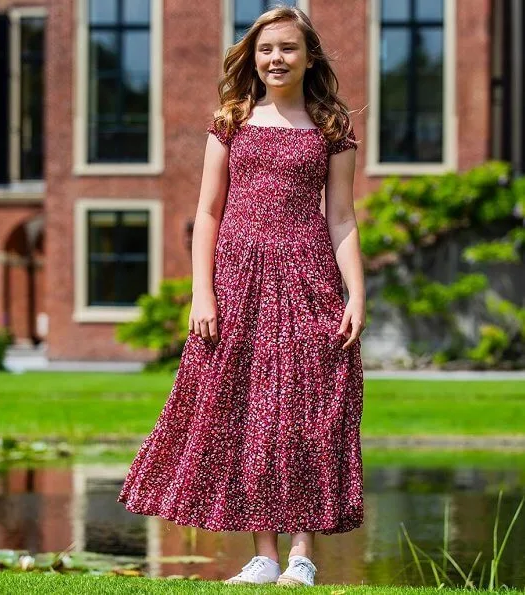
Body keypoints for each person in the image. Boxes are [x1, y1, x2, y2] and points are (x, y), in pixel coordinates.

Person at [117, 5, 366, 588]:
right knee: (248, 412)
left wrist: (357, 293)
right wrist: (201, 293)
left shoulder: (332, 128)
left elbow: (342, 219)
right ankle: (264, 555)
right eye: (265, 49)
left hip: (308, 280)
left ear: (309, 57)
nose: (275, 59)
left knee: (307, 410)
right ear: (252, 57)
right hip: (237, 283)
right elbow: (206, 213)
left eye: (287, 48)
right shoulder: (230, 118)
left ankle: (302, 557)